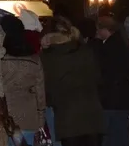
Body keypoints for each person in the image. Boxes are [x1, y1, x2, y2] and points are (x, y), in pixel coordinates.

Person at [41, 17, 104, 146]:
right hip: (92, 115)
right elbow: (98, 78)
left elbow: (48, 88)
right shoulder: (86, 51)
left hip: (68, 119)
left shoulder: (49, 57)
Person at [0, 15, 45, 146]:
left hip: (3, 117)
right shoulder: (34, 59)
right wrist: (40, 118)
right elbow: (40, 92)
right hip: (28, 116)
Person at [93, 16, 129, 146]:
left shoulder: (108, 47)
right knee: (121, 135)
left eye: (98, 30)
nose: (97, 33)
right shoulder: (122, 44)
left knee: (109, 136)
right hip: (122, 99)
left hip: (109, 99)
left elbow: (103, 71)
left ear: (104, 29)